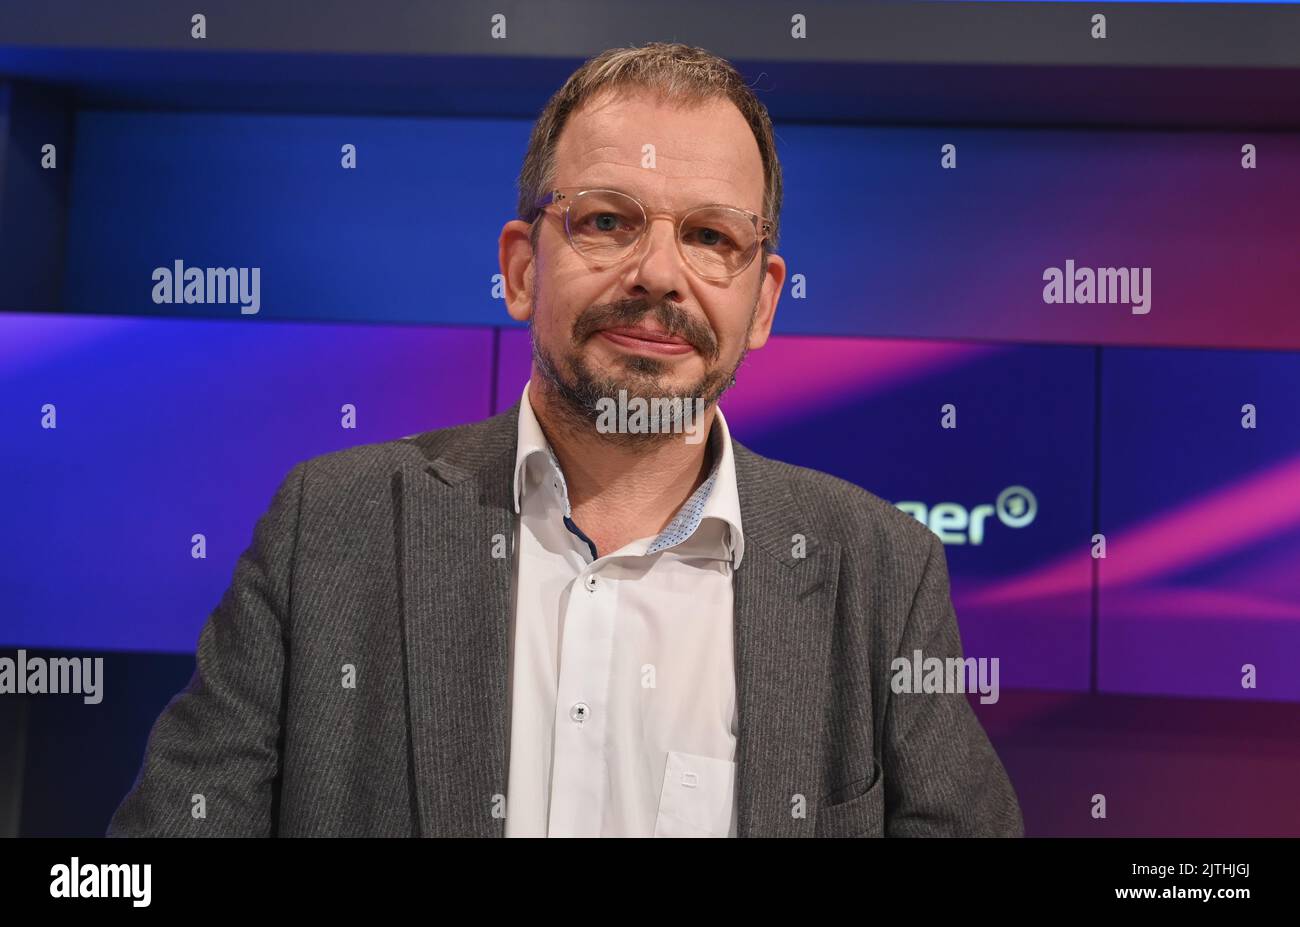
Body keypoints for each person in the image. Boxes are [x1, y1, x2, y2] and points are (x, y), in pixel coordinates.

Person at [108, 41, 1022, 838]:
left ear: (763, 302)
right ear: (519, 267)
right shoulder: (329, 529)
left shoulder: (882, 574)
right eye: (608, 221)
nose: (658, 273)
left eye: (709, 236)